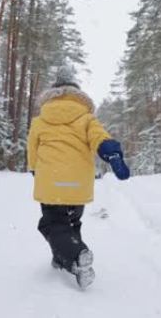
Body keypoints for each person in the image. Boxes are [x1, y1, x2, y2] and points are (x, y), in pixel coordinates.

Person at [27, 66, 130, 289]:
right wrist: (110, 151)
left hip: (51, 183)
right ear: (76, 92)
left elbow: (32, 151)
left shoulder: (40, 120)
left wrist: (35, 169)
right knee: (71, 222)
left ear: (53, 92)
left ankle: (77, 253)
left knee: (51, 225)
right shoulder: (86, 118)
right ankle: (67, 260)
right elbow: (99, 137)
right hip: (78, 186)